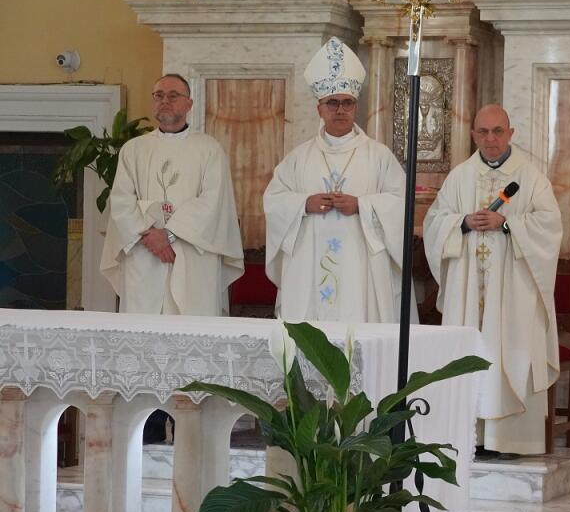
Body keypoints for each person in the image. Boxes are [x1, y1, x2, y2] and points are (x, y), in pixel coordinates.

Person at [423, 104, 562, 457]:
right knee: (471, 351)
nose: (490, 139)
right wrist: (464, 223)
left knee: (509, 354)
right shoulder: (459, 177)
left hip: (513, 292)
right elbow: (434, 221)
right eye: (483, 132)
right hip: (468, 291)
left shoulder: (531, 178)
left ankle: (511, 439)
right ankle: (471, 436)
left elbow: (550, 227)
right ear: (473, 135)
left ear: (510, 133)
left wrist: (509, 224)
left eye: (497, 131)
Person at [263, 37, 412, 323]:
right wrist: (305, 203)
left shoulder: (379, 156)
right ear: (319, 108)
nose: (340, 110)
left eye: (347, 103)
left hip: (361, 266)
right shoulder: (298, 158)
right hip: (307, 262)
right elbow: (273, 200)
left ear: (356, 108)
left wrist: (362, 206)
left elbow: (400, 203)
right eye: (333, 103)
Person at [101, 73, 244, 316]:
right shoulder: (134, 149)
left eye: (173, 95)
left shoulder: (209, 149)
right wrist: (151, 236)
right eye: (159, 95)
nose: (164, 100)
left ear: (189, 104)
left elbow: (213, 203)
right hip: (144, 255)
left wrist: (169, 233)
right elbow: (121, 201)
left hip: (192, 255)